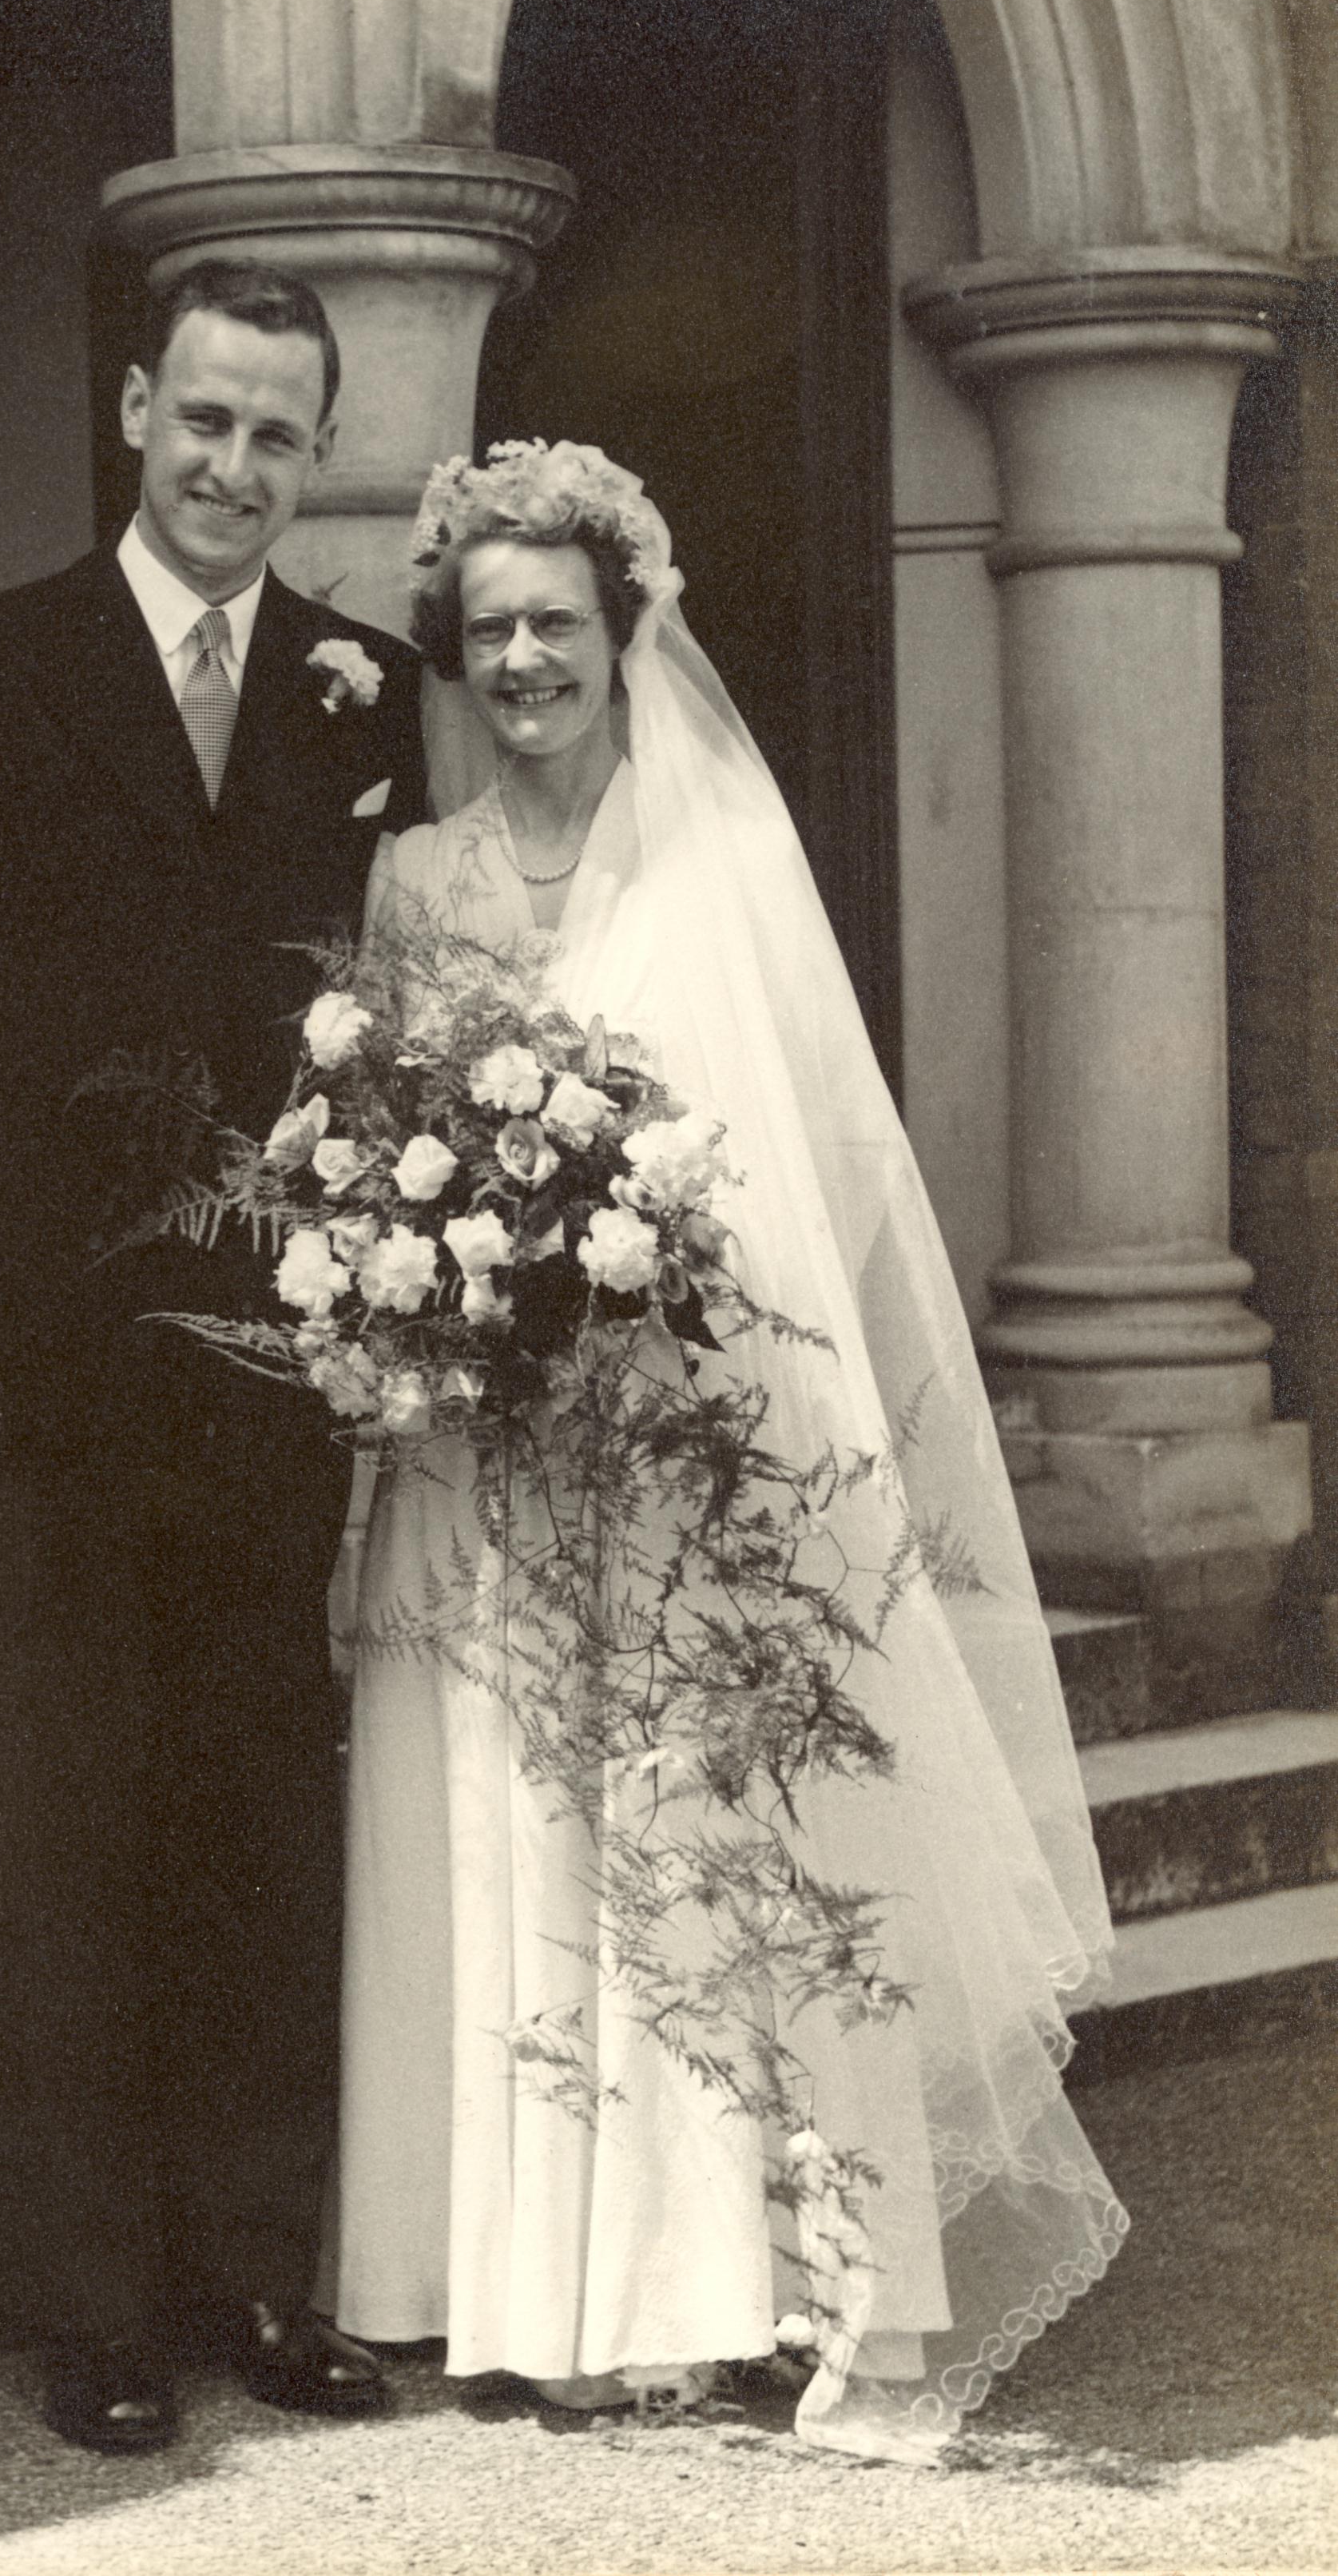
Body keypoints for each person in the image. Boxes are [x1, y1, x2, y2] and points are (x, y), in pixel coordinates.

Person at [334, 442, 1126, 2463]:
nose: (524, 660)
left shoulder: (717, 863)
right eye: (491, 629)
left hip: (686, 1441)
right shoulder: (414, 880)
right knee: (508, 1825)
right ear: (454, 650)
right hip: (484, 1453)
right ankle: (529, 2287)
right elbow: (378, 1154)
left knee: (702, 1840)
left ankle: (736, 2276)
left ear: (625, 637)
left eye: (558, 623)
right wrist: (438, 1296)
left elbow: (813, 1170)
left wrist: (668, 1315)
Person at [0, 260, 425, 2456]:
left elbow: (390, 1032)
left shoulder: (366, 697)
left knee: (257, 1819)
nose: (234, 467)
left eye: (279, 435)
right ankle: (92, 2306)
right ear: (137, 406)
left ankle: (254, 2270)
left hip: (269, 1373)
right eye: (207, 418)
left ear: (313, 454)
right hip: (36, 1373)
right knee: (68, 1838)